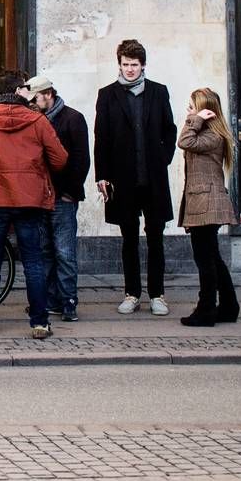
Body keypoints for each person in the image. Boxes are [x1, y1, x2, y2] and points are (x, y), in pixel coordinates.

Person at [0, 70, 68, 339]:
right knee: (32, 260)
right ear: (19, 91)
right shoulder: (37, 121)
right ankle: (39, 322)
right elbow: (60, 159)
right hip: (29, 199)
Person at [94, 39, 179, 316]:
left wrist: (163, 158)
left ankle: (157, 294)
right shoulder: (107, 95)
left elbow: (170, 128)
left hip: (153, 177)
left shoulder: (158, 92)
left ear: (143, 65)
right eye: (125, 64)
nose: (130, 69)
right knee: (128, 238)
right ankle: (131, 293)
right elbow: (101, 138)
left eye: (134, 64)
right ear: (119, 64)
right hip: (122, 179)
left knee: (156, 238)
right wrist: (102, 175)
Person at [25, 74, 91, 322]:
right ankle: (50, 300)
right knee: (44, 251)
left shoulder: (72, 119)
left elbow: (81, 159)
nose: (33, 103)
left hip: (62, 196)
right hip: (40, 196)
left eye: (37, 98)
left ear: (48, 94)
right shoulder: (34, 119)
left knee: (64, 252)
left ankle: (68, 301)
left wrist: (69, 193)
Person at [176, 88, 240, 327]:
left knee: (205, 259)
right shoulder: (209, 135)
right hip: (203, 201)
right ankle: (228, 306)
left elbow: (184, 141)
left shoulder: (211, 136)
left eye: (192, 107)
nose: (188, 111)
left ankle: (206, 310)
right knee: (212, 257)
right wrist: (197, 119)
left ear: (205, 110)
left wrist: (196, 119)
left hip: (207, 203)